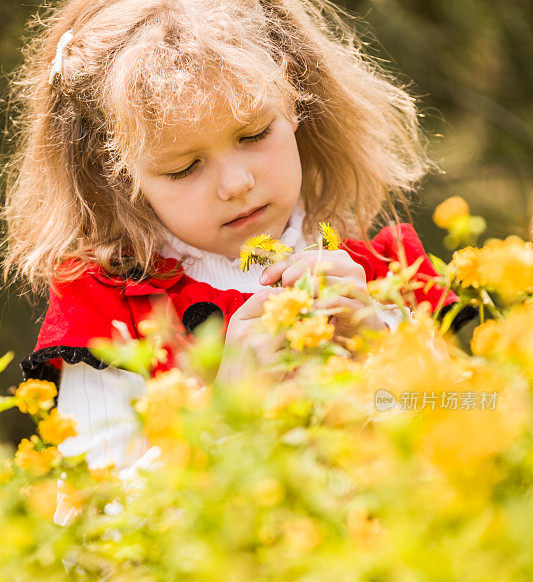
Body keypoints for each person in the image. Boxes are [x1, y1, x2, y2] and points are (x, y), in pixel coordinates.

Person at [3, 0, 466, 483]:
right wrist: (224, 415)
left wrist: (383, 353)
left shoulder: (383, 275)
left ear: (291, 93)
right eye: (183, 167)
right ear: (118, 171)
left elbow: (481, 439)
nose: (236, 183)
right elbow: (86, 542)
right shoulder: (110, 319)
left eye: (254, 134)